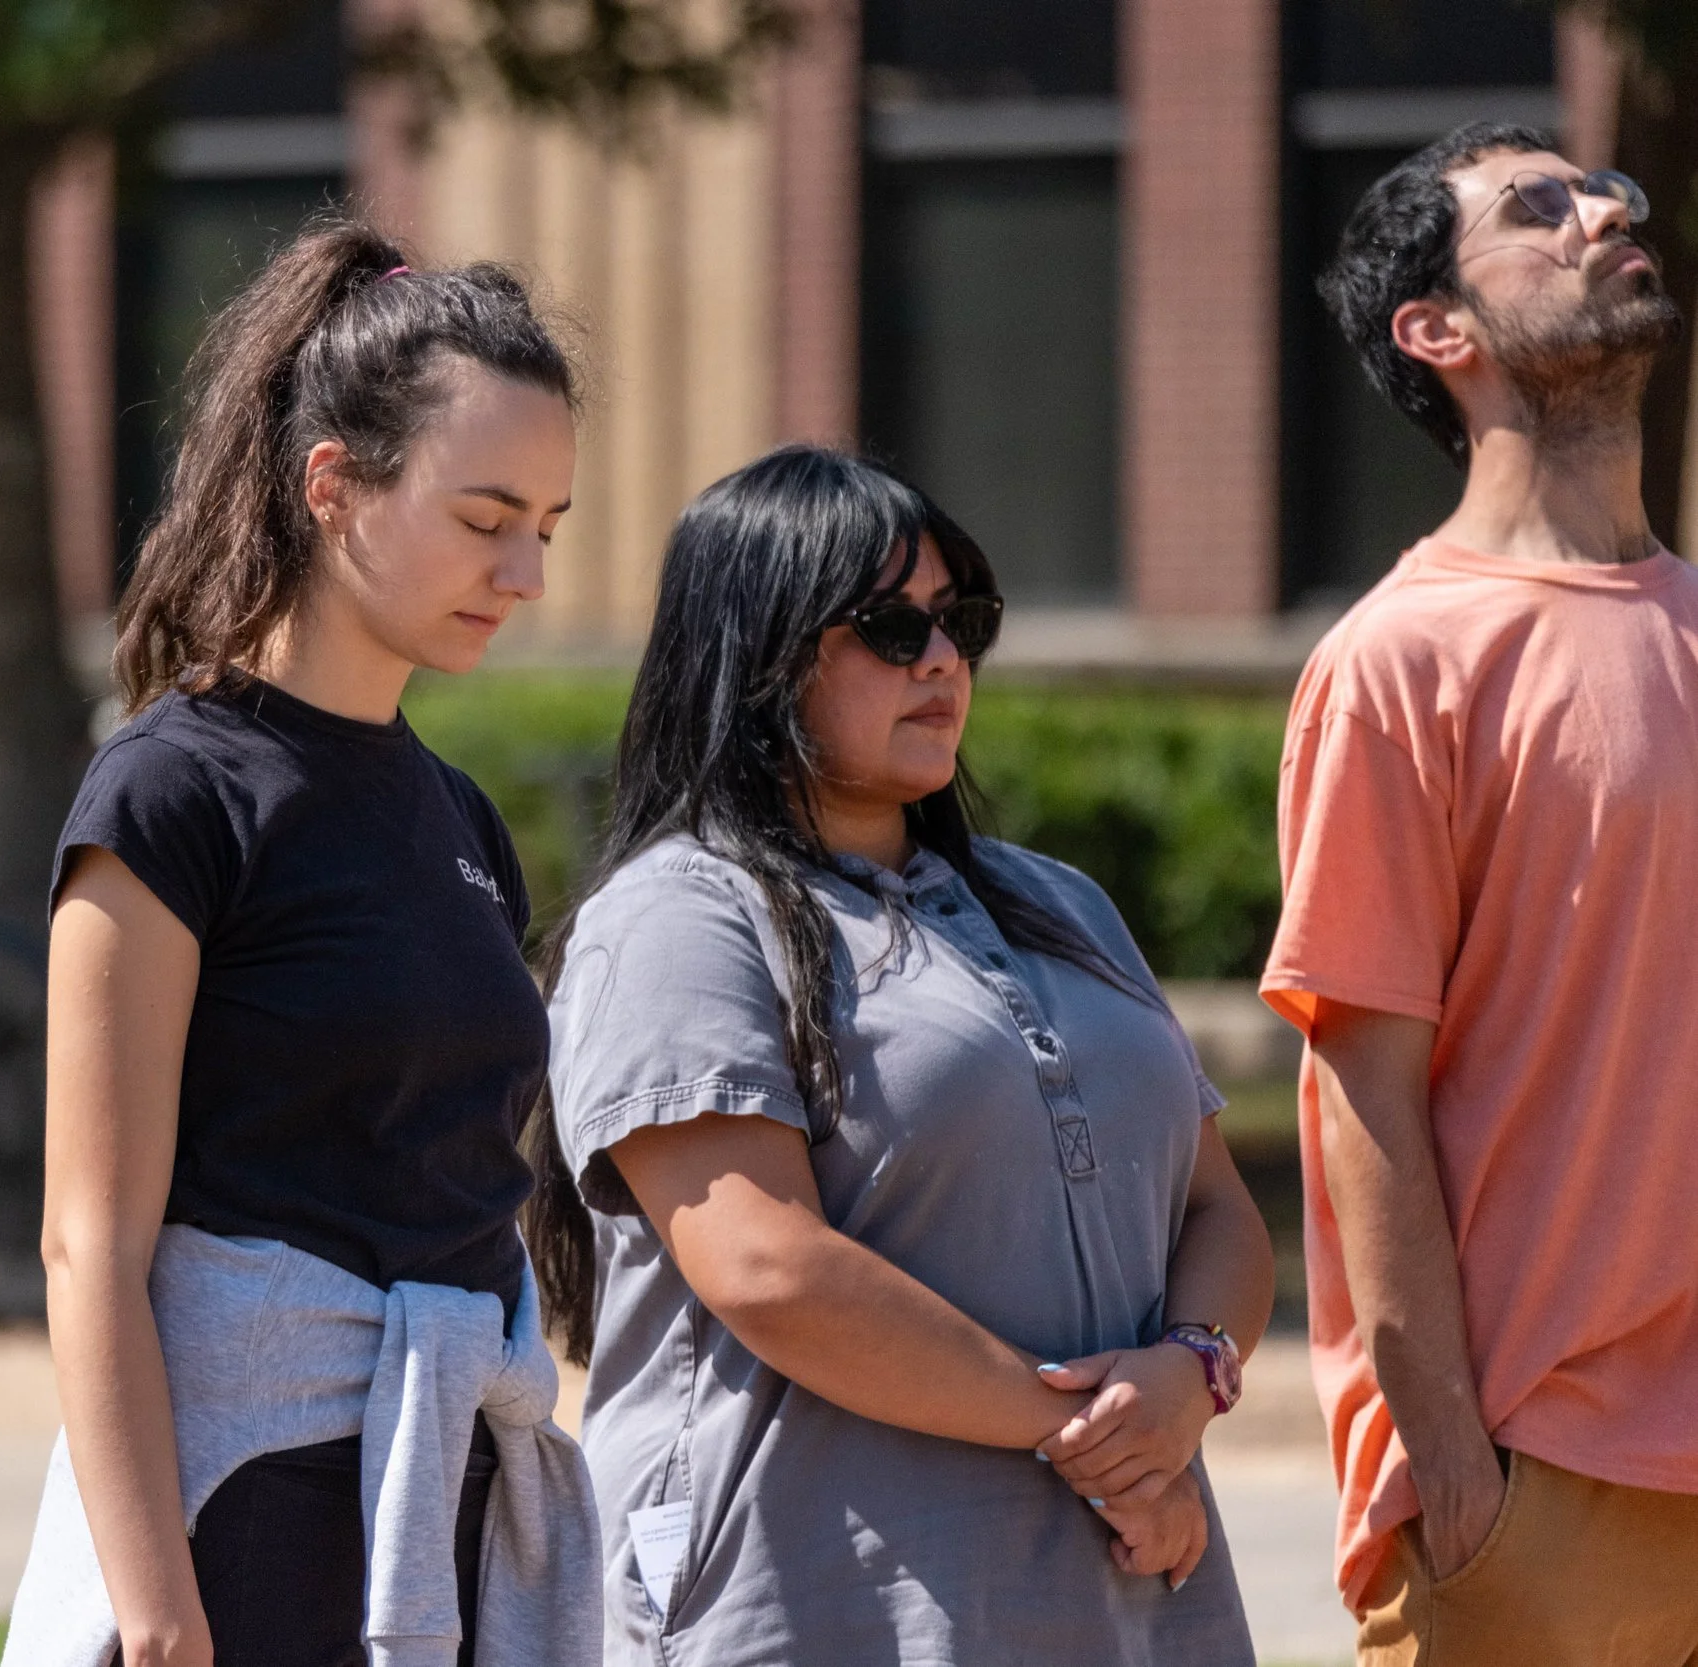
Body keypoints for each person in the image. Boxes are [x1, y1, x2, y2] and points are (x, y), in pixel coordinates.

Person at [529, 446, 1273, 1666]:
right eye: (888, 625)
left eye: (960, 620)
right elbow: (765, 1264)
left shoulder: (1063, 904)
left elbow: (1215, 1206)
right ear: (755, 653)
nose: (940, 658)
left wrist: (1191, 1379)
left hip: (1121, 1600)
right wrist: (1104, 1437)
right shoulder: (678, 914)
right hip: (825, 1602)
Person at [10, 221, 600, 1667]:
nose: (523, 570)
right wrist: (153, 1609)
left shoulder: (456, 811)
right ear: (331, 483)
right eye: (485, 517)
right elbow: (89, 1236)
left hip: (439, 1495)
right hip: (241, 1514)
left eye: (549, 523)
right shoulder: (171, 786)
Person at [1266, 121, 1698, 1664]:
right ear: (1435, 330)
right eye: (1540, 208)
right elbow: (1356, 1083)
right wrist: (1449, 1464)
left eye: (1608, 197)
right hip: (1537, 1478)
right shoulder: (1399, 661)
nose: (1600, 213)